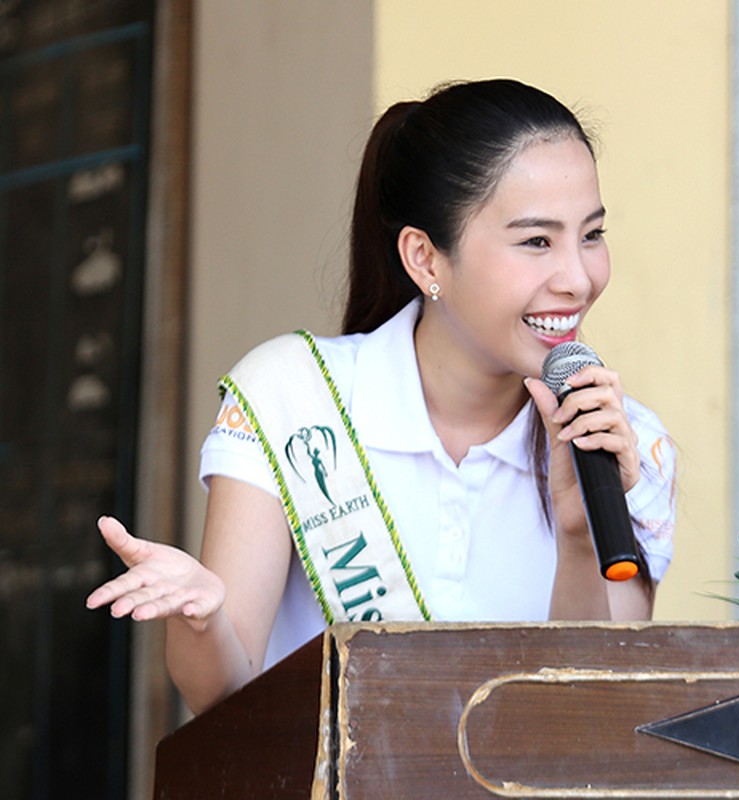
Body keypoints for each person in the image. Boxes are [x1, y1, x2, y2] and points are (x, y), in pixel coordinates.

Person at [86, 79, 676, 714]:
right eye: (537, 241)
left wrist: (580, 538)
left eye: (591, 235)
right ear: (425, 258)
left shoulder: (628, 447)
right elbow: (222, 697)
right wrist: (201, 618)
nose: (578, 278)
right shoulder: (293, 394)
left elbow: (588, 724)